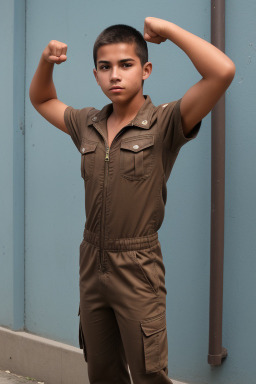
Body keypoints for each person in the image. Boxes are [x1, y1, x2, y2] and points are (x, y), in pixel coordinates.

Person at [29, 16, 235, 384]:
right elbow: (42, 98)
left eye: (126, 65)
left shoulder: (165, 122)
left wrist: (169, 31)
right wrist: (46, 61)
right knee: (102, 370)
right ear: (95, 75)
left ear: (146, 70)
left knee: (149, 372)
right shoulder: (86, 124)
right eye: (105, 67)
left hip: (138, 268)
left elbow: (221, 72)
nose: (115, 75)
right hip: (92, 263)